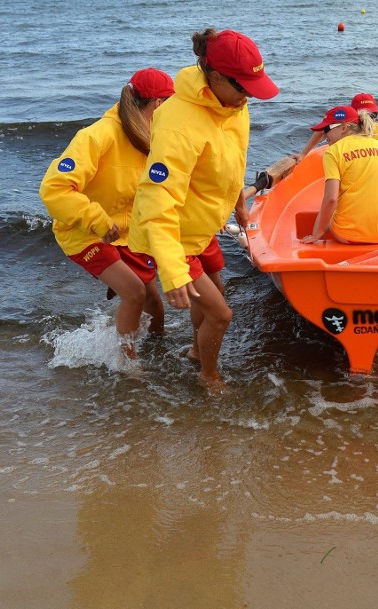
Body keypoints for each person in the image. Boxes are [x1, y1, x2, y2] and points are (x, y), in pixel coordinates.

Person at [128, 29, 278, 389]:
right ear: (213, 76)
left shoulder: (232, 106)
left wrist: (239, 204)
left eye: (252, 87)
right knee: (221, 314)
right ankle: (208, 376)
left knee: (216, 295)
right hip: (176, 234)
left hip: (204, 224)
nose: (247, 98)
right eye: (242, 87)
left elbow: (233, 161)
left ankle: (197, 352)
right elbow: (157, 199)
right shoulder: (180, 125)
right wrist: (172, 270)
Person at [40, 68, 173, 358]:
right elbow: (54, 189)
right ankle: (128, 365)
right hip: (86, 232)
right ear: (158, 105)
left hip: (128, 233)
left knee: (154, 303)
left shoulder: (153, 135)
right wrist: (97, 220)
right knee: (135, 293)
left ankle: (160, 350)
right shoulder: (96, 136)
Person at [302, 106, 378, 245]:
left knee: (328, 205)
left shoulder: (333, 151)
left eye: (327, 130)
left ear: (344, 128)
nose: (324, 136)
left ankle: (315, 238)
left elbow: (331, 199)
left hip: (347, 235)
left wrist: (318, 232)